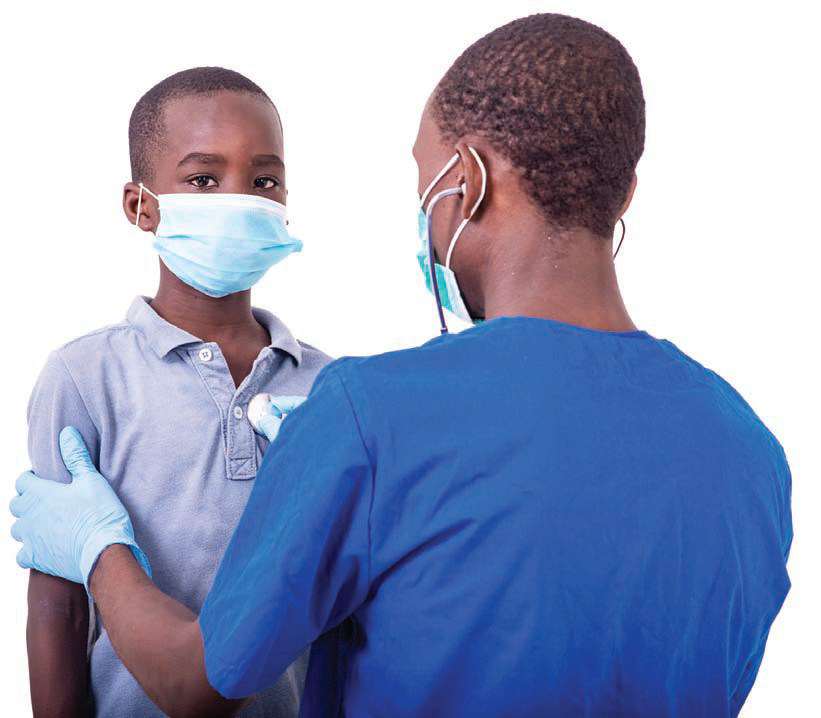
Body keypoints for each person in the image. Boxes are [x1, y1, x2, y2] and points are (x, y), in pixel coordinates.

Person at [12, 14, 792, 718]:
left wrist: (98, 546)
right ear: (620, 193)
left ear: (467, 179)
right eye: (205, 178)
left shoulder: (364, 408)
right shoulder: (751, 451)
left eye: (427, 185)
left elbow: (200, 682)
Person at [21, 67, 331, 717]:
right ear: (141, 206)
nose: (239, 200)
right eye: (203, 180)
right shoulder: (85, 376)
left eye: (263, 181)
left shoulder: (329, 386)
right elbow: (58, 604)